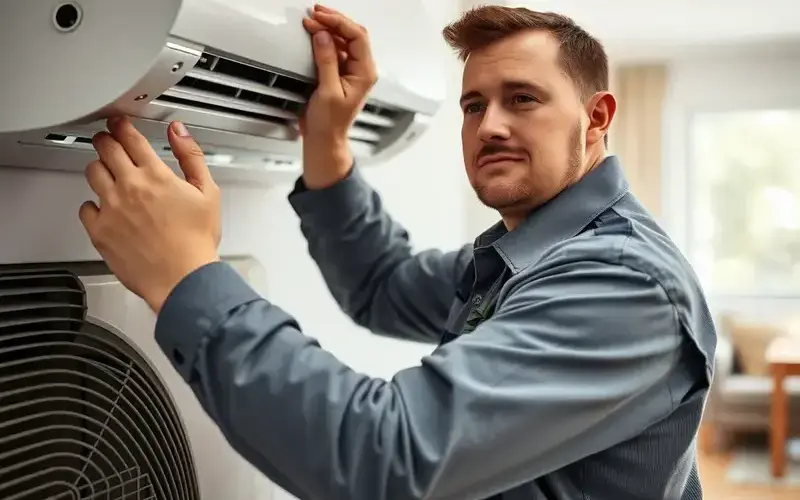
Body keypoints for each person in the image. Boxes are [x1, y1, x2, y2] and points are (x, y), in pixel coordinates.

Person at [78, 4, 716, 500]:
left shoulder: (620, 284)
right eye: (473, 105)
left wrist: (188, 275)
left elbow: (387, 455)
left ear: (597, 117)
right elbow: (383, 286)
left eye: (522, 98)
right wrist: (326, 142)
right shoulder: (534, 253)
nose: (490, 125)